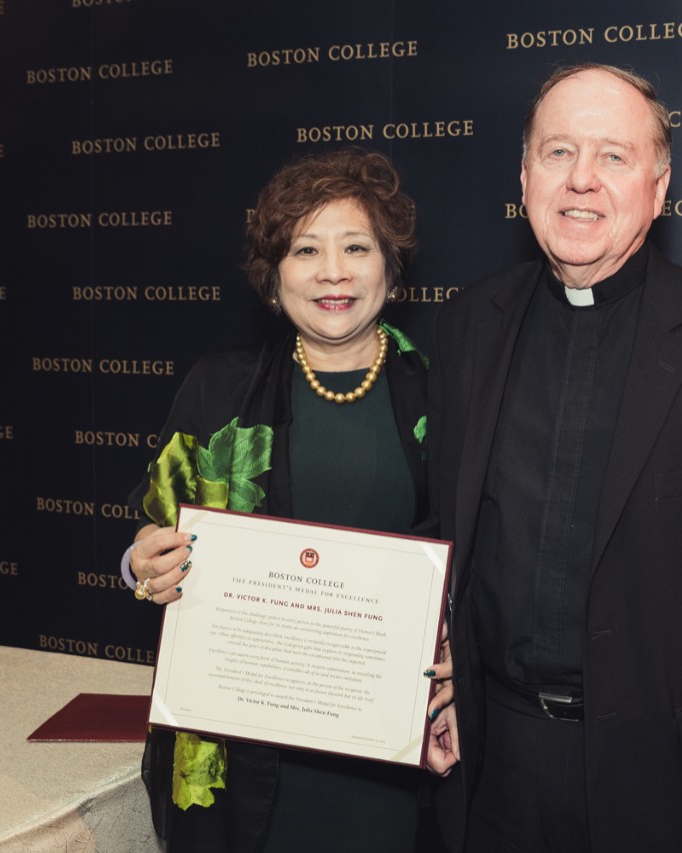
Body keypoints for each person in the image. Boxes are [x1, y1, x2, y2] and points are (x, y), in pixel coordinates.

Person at [423, 64, 682, 853]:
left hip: (663, 789)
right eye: (558, 151)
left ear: (660, 186)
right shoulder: (468, 325)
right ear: (524, 173)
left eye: (613, 157)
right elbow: (445, 532)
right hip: (488, 766)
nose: (581, 181)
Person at [121, 149, 433, 852]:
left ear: (391, 266)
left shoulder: (445, 395)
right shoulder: (217, 388)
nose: (333, 272)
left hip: (387, 762)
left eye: (357, 246)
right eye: (305, 249)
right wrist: (140, 563)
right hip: (236, 756)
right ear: (273, 278)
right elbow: (147, 533)